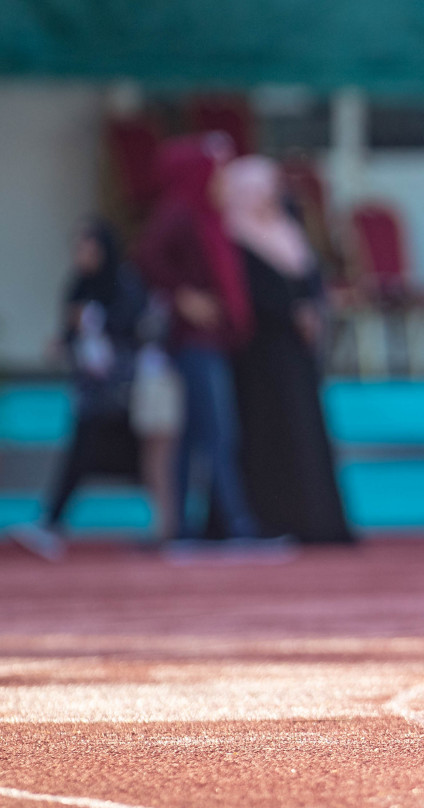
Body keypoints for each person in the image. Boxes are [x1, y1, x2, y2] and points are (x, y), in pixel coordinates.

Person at [136, 135, 264, 544]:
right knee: (216, 435)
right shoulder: (180, 212)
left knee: (195, 436)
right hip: (192, 342)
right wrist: (181, 297)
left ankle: (184, 526)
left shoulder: (210, 216)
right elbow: (146, 258)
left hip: (211, 340)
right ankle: (234, 524)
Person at [222, 156, 354, 544]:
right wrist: (287, 312)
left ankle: (315, 520)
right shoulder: (233, 235)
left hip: (296, 355)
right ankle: (267, 517)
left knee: (304, 434)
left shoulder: (287, 231)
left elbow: (311, 279)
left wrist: (314, 309)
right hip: (260, 355)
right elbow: (245, 293)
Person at [8, 220, 148, 561]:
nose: (80, 256)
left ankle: (177, 527)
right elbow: (70, 334)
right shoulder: (78, 286)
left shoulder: (123, 285)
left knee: (136, 455)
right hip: (91, 392)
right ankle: (52, 523)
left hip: (126, 389)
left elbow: (135, 328)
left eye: (86, 248)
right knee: (82, 452)